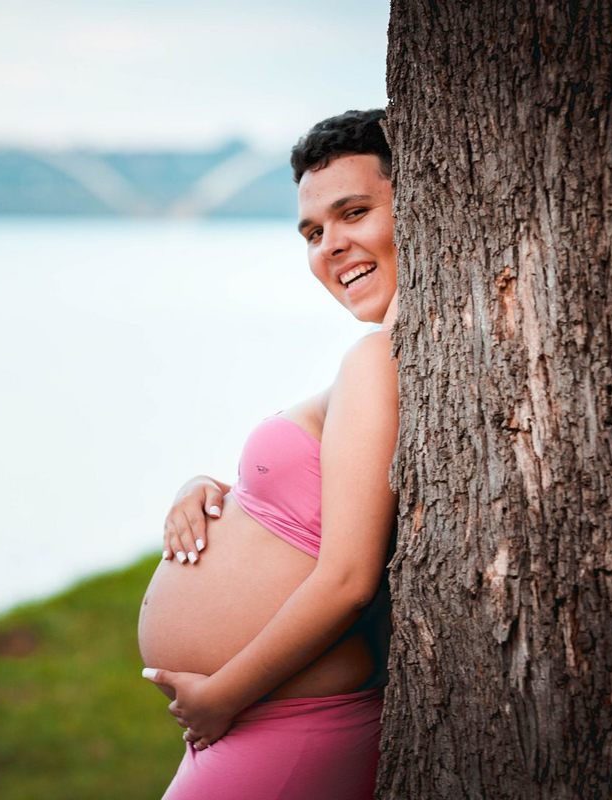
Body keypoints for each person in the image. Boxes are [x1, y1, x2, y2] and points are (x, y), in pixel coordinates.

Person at [136, 109, 399, 799]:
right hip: (270, 724)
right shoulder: (379, 357)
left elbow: (348, 580)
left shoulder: (377, 359)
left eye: (354, 212)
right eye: (313, 232)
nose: (331, 245)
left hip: (284, 723)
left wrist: (222, 694)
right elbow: (324, 495)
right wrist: (212, 487)